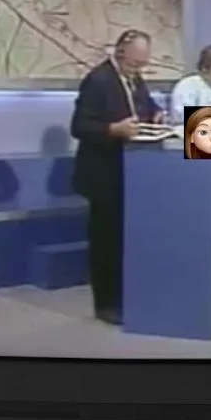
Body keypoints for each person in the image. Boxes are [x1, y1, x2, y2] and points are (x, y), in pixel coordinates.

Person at [70, 29, 165, 325]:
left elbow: (147, 107)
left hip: (130, 174)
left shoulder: (134, 78)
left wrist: (157, 115)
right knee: (106, 243)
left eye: (143, 64)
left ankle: (127, 296)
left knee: (124, 240)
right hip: (103, 175)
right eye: (135, 63)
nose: (138, 69)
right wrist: (114, 130)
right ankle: (106, 304)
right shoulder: (98, 80)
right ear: (120, 52)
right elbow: (80, 126)